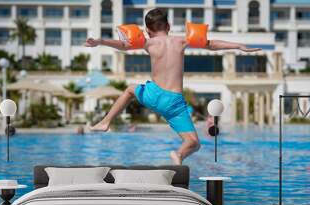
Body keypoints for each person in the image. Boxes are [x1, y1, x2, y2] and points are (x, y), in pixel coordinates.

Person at [85, 8, 261, 165]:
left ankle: (105, 122)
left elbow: (124, 45)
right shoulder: (181, 41)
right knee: (193, 142)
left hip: (154, 95)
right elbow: (212, 45)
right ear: (168, 26)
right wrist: (239, 46)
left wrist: (100, 41)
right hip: (174, 103)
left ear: (147, 30)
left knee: (130, 89)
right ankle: (178, 155)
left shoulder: (148, 42)